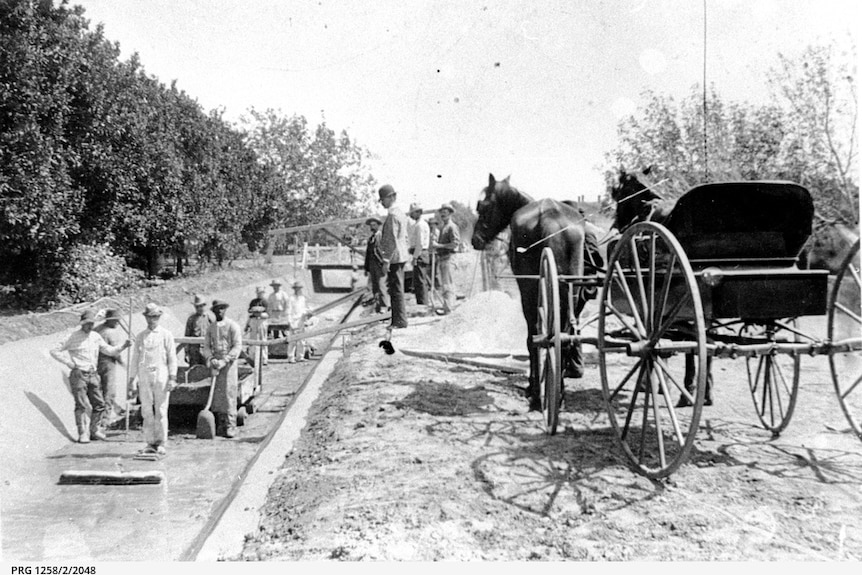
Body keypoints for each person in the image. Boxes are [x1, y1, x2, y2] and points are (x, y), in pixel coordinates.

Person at [51, 310, 131, 443]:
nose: (90, 326)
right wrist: (69, 363)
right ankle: (82, 433)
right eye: (87, 324)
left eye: (92, 324)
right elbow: (54, 350)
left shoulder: (95, 336)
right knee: (81, 405)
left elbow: (108, 350)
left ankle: (94, 430)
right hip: (79, 374)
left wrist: (123, 346)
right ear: (82, 323)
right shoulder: (72, 337)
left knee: (99, 404)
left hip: (93, 374)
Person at [128, 303, 177, 455]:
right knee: (147, 410)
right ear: (146, 318)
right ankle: (150, 442)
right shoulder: (141, 336)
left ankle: (161, 442)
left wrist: (172, 377)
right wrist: (131, 379)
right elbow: (135, 358)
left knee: (161, 410)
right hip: (144, 374)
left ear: (159, 317)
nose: (152, 320)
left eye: (155, 317)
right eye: (149, 317)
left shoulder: (166, 334)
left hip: (161, 374)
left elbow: (172, 358)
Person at [202, 299, 243, 438]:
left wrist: (225, 360)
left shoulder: (233, 326)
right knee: (217, 395)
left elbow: (237, 346)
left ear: (225, 310)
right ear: (213, 312)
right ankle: (220, 424)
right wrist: (211, 359)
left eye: (222, 308)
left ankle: (231, 425)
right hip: (215, 363)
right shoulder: (211, 327)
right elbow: (206, 346)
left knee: (229, 394)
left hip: (229, 364)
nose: (219, 311)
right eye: (216, 309)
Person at [378, 184, 410, 329]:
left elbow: (391, 240)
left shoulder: (392, 216)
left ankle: (400, 321)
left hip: (394, 257)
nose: (382, 203)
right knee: (397, 288)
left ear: (391, 198)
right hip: (400, 255)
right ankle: (397, 320)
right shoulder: (401, 214)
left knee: (396, 290)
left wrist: (386, 260)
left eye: (383, 199)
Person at [94, 309, 127, 426]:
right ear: (109, 320)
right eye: (115, 320)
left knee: (99, 389)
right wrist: (123, 363)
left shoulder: (97, 329)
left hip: (95, 362)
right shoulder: (110, 332)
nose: (118, 323)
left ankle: (103, 415)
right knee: (109, 391)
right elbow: (114, 352)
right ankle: (105, 419)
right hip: (107, 363)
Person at [431, 203, 461, 314]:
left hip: (449, 258)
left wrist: (439, 246)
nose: (443, 214)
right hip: (443, 258)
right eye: (441, 212)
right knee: (445, 285)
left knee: (448, 285)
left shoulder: (452, 227)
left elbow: (455, 244)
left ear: (450, 213)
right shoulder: (443, 227)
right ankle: (447, 306)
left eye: (445, 212)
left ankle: (449, 309)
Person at [363, 216, 389, 312]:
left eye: (374, 225)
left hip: (380, 265)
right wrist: (366, 268)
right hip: (372, 265)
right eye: (371, 225)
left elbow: (385, 251)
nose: (372, 227)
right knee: (375, 286)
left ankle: (385, 306)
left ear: (378, 225)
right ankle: (378, 305)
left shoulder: (381, 236)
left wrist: (385, 263)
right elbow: (368, 254)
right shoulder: (371, 238)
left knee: (382, 285)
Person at [407, 203, 431, 306]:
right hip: (419, 253)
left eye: (413, 213)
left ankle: (423, 304)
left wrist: (415, 257)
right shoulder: (418, 224)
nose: (411, 215)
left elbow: (420, 243)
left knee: (420, 281)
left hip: (420, 254)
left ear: (418, 212)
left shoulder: (420, 225)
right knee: (418, 280)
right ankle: (421, 303)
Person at [181, 294, 214, 367]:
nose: (199, 308)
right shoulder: (191, 319)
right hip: (194, 351)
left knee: (208, 371)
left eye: (201, 306)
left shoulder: (210, 318)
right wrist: (186, 353)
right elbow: (186, 337)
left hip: (207, 350)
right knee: (194, 371)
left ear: (205, 305)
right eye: (197, 307)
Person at [286, 280, 313, 363]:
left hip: (301, 320)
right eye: (296, 289)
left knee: (301, 340)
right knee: (292, 341)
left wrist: (309, 311)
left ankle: (300, 356)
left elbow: (304, 308)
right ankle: (291, 358)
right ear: (294, 289)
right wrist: (290, 322)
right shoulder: (291, 299)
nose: (298, 290)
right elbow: (288, 311)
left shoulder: (302, 298)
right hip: (294, 320)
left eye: (299, 288)